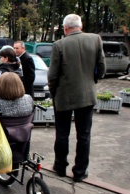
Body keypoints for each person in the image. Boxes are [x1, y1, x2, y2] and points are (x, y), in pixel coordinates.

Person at [48, 14, 105, 182]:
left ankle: (60, 167)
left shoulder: (59, 44)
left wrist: (54, 92)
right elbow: (101, 68)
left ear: (65, 28)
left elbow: (52, 75)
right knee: (84, 135)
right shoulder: (95, 39)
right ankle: (80, 172)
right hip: (87, 95)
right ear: (80, 26)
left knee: (62, 134)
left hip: (63, 96)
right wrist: (91, 82)